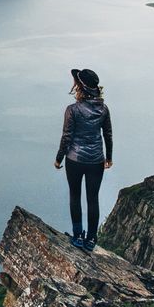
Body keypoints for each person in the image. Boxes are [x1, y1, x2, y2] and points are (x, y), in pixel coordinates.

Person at [54, 67, 112, 251]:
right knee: (93, 199)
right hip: (96, 160)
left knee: (75, 195)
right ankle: (91, 239)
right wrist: (109, 157)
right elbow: (108, 135)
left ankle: (78, 236)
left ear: (81, 88)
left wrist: (58, 158)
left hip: (74, 159)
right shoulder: (103, 109)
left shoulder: (72, 110)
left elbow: (66, 137)